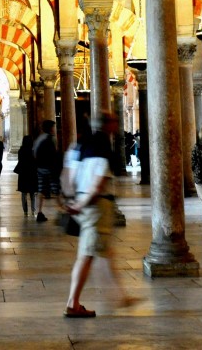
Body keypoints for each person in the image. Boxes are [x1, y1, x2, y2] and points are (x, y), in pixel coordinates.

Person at [63, 112, 135, 318]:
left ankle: (119, 296)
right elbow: (99, 182)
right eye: (114, 121)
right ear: (109, 125)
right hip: (95, 206)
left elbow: (67, 174)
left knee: (104, 252)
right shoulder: (103, 145)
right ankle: (73, 303)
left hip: (84, 202)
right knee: (87, 255)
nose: (117, 124)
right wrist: (81, 203)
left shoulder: (80, 144)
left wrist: (71, 199)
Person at [32, 120, 62, 222]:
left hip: (40, 168)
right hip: (51, 169)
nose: (54, 129)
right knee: (56, 190)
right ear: (50, 128)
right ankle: (61, 212)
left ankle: (39, 212)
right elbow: (55, 153)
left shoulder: (39, 139)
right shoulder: (51, 138)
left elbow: (35, 153)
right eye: (54, 127)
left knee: (41, 190)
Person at [14, 135, 37, 216]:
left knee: (24, 193)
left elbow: (20, 161)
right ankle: (33, 211)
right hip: (32, 173)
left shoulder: (21, 150)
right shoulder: (33, 150)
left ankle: (25, 211)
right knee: (33, 193)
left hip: (23, 173)